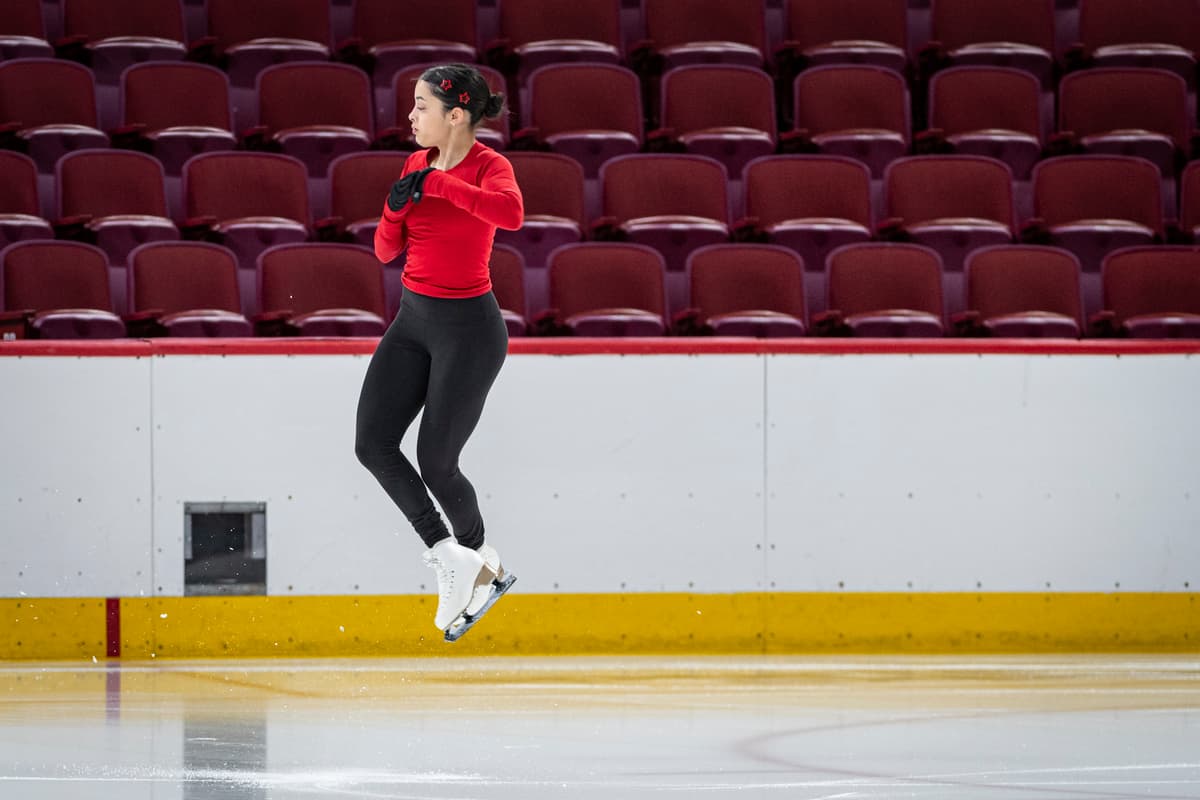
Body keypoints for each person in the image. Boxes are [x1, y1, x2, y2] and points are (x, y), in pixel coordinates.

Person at [355, 64, 523, 642]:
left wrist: (441, 186)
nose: (411, 116)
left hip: (469, 331)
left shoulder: (491, 166)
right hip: (412, 321)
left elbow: (510, 214)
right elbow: (384, 252)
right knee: (372, 444)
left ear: (456, 115)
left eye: (421, 106)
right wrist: (394, 209)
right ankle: (450, 554)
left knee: (437, 461)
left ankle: (479, 557)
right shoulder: (414, 164)